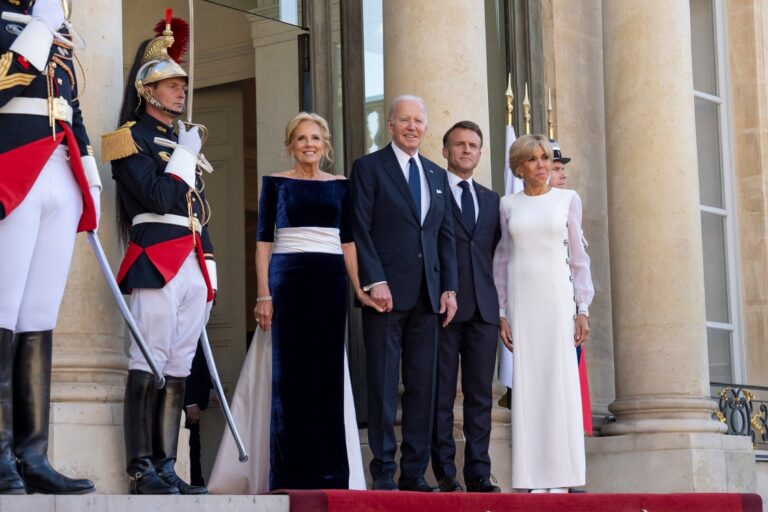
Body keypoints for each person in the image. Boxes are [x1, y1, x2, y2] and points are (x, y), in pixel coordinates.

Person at [208, 112, 374, 493]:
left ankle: (329, 471)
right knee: (290, 374)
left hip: (329, 284)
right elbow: (263, 242)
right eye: (301, 138)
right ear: (290, 145)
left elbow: (348, 243)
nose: (309, 144)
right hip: (288, 281)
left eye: (315, 138)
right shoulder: (276, 184)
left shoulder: (341, 186)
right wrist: (263, 293)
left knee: (326, 372)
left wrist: (359, 289)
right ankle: (288, 470)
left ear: (325, 145)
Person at [104, 14, 215, 495]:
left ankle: (168, 466)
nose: (180, 92)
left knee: (179, 366)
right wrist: (186, 156)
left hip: (193, 257)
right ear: (148, 90)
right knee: (147, 359)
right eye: (171, 85)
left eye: (182, 86)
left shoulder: (179, 139)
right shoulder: (130, 138)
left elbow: (197, 209)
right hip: (156, 258)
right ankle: (139, 468)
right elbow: (159, 199)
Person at [0, 0, 100, 495]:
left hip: (59, 173)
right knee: (3, 309)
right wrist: (39, 26)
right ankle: (0, 454)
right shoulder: (22, 23)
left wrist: (90, 176)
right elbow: (5, 80)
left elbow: (71, 110)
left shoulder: (53, 28)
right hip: (12, 170)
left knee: (38, 315)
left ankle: (32, 453)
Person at [351, 95, 458, 492]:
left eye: (419, 120)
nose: (412, 127)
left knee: (422, 386)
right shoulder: (369, 168)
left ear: (426, 127)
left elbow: (442, 236)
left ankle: (414, 471)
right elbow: (359, 228)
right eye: (404, 120)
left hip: (429, 297)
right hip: (385, 294)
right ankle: (383, 469)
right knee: (381, 383)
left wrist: (449, 287)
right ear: (391, 126)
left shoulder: (435, 173)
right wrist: (374, 279)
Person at [493, 134, 593, 493]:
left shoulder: (567, 199)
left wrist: (582, 309)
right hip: (522, 303)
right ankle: (533, 476)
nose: (542, 165)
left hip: (557, 300)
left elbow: (579, 259)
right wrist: (502, 312)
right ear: (519, 166)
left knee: (559, 383)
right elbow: (501, 261)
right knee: (530, 385)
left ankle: (563, 476)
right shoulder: (507, 205)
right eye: (533, 159)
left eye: (546, 158)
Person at [430, 121, 501, 494]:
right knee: (441, 393)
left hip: (484, 312)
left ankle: (478, 472)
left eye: (473, 145)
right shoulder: (432, 191)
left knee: (479, 396)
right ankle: (444, 472)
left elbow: (497, 256)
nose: (467, 150)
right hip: (444, 309)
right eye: (459, 144)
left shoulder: (491, 200)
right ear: (446, 151)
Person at [184, 341, 212, 488]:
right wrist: (191, 401)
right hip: (185, 402)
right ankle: (194, 481)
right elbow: (187, 362)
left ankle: (196, 480)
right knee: (191, 443)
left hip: (191, 400)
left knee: (194, 443)